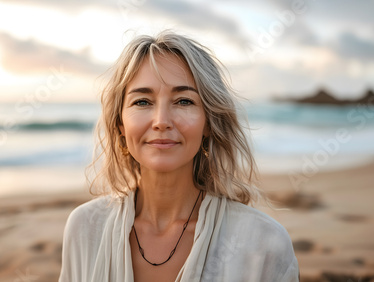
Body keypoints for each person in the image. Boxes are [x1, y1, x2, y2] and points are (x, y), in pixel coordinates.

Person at [59, 31, 299, 282]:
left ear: (209, 123)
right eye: (142, 102)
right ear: (120, 125)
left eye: (184, 101)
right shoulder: (85, 228)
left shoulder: (264, 244)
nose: (161, 121)